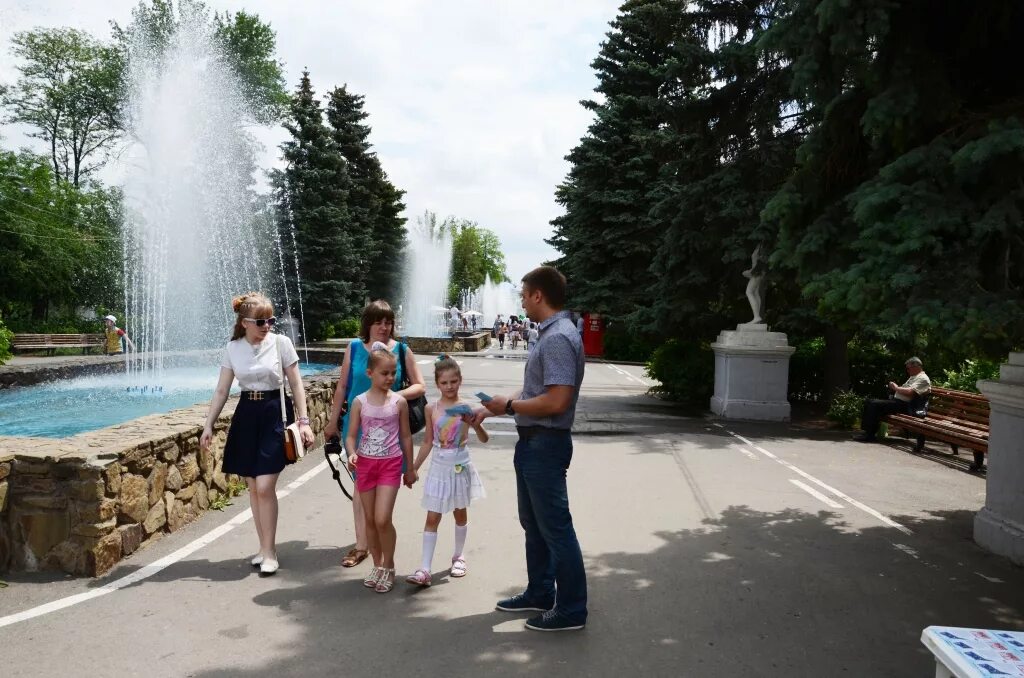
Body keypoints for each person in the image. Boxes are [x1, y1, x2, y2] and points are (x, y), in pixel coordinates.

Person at [474, 265, 587, 632]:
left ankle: (571, 610)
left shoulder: (557, 338)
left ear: (538, 295)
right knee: (534, 526)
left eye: (524, 293)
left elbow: (555, 401)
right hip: (533, 444)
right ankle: (540, 592)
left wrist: (509, 407)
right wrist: (493, 407)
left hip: (545, 444)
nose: (521, 300)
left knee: (555, 529)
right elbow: (536, 392)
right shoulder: (548, 334)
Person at [200, 292, 314, 576]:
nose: (267, 326)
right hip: (247, 415)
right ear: (245, 322)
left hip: (275, 412)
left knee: (264, 486)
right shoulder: (233, 348)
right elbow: (222, 390)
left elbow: (297, 385)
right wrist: (208, 425)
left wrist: (304, 421)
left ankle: (271, 550)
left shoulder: (281, 343)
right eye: (261, 322)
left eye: (271, 320)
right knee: (253, 487)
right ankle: (263, 548)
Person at [324, 300, 426, 569]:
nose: (384, 327)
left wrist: (390, 397)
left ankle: (376, 541)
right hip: (356, 427)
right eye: (378, 322)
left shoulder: (401, 350)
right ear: (367, 323)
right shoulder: (355, 348)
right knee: (360, 484)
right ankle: (362, 545)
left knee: (376, 487)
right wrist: (333, 422)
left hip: (389, 431)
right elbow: (343, 386)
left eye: (388, 322)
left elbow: (420, 386)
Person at [406, 355, 488, 587]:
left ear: (460, 381)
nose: (449, 386)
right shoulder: (431, 408)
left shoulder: (466, 408)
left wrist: (475, 424)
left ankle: (458, 556)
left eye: (453, 381)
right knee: (432, 516)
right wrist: (413, 468)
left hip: (460, 465)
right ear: (437, 384)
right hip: (438, 467)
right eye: (444, 383)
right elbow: (427, 442)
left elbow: (483, 439)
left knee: (459, 513)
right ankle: (425, 568)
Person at [345, 342, 417, 593]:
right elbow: (351, 435)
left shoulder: (399, 402)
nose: (390, 378)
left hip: (390, 464)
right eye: (384, 373)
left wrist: (410, 468)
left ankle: (389, 564)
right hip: (365, 465)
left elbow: (406, 436)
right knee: (370, 521)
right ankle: (377, 565)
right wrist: (352, 454)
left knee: (382, 518)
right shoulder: (359, 402)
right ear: (370, 373)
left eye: (393, 373)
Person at [854, 357, 932, 443]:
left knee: (874, 405)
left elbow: (910, 392)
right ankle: (867, 433)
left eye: (908, 368)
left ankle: (869, 435)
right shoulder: (914, 376)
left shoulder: (923, 378)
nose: (907, 370)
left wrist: (896, 388)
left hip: (908, 406)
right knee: (869, 402)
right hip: (899, 403)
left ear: (916, 366)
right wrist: (896, 388)